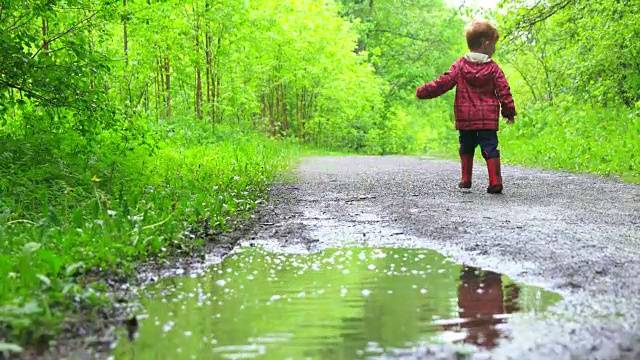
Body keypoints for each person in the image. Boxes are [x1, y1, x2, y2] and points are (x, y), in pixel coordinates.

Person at [416, 20, 516, 194]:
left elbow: (443, 82)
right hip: (487, 121)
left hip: (466, 119)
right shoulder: (493, 69)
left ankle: (466, 178)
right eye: (494, 44)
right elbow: (504, 91)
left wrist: (423, 91)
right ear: (486, 44)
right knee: (490, 148)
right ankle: (495, 181)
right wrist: (508, 112)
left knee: (466, 146)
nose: (494, 48)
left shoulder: (460, 66)